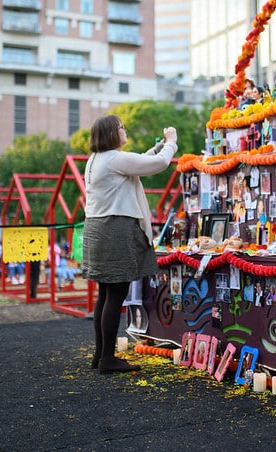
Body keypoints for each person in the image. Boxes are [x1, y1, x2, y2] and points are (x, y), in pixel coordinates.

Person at [83, 114, 178, 374]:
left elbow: (139, 161)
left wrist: (156, 148)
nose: (125, 130)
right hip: (115, 229)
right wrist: (171, 143)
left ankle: (100, 355)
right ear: (112, 133)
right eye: (121, 127)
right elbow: (157, 164)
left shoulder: (96, 160)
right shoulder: (115, 158)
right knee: (116, 294)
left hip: (97, 227)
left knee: (105, 293)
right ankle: (107, 359)